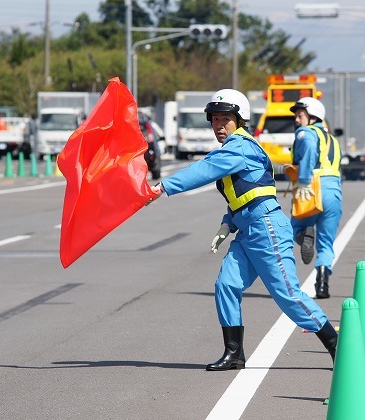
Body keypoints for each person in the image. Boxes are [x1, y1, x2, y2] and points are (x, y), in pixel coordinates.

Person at [145, 89, 339, 371]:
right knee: (226, 285)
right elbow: (246, 194)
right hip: (247, 230)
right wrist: (227, 224)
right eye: (215, 119)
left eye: (226, 119)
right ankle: (234, 353)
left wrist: (162, 186)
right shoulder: (234, 149)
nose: (219, 125)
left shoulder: (241, 147)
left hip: (267, 229)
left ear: (240, 120)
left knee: (288, 295)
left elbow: (204, 169)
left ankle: (339, 347)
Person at [286, 97, 343, 299]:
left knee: (294, 229)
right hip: (333, 191)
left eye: (300, 115)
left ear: (312, 117)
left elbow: (309, 147)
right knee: (326, 243)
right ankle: (322, 285)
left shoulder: (305, 133)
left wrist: (303, 179)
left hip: (311, 188)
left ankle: (304, 237)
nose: (297, 120)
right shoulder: (334, 141)